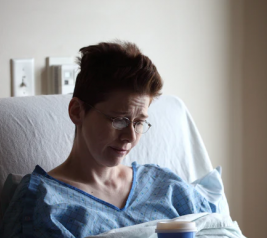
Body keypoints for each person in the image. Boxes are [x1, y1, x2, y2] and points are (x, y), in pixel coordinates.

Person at [0, 41, 215, 238]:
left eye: (139, 122)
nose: (130, 137)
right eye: (119, 120)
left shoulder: (167, 187)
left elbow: (221, 230)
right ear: (77, 111)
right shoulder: (44, 203)